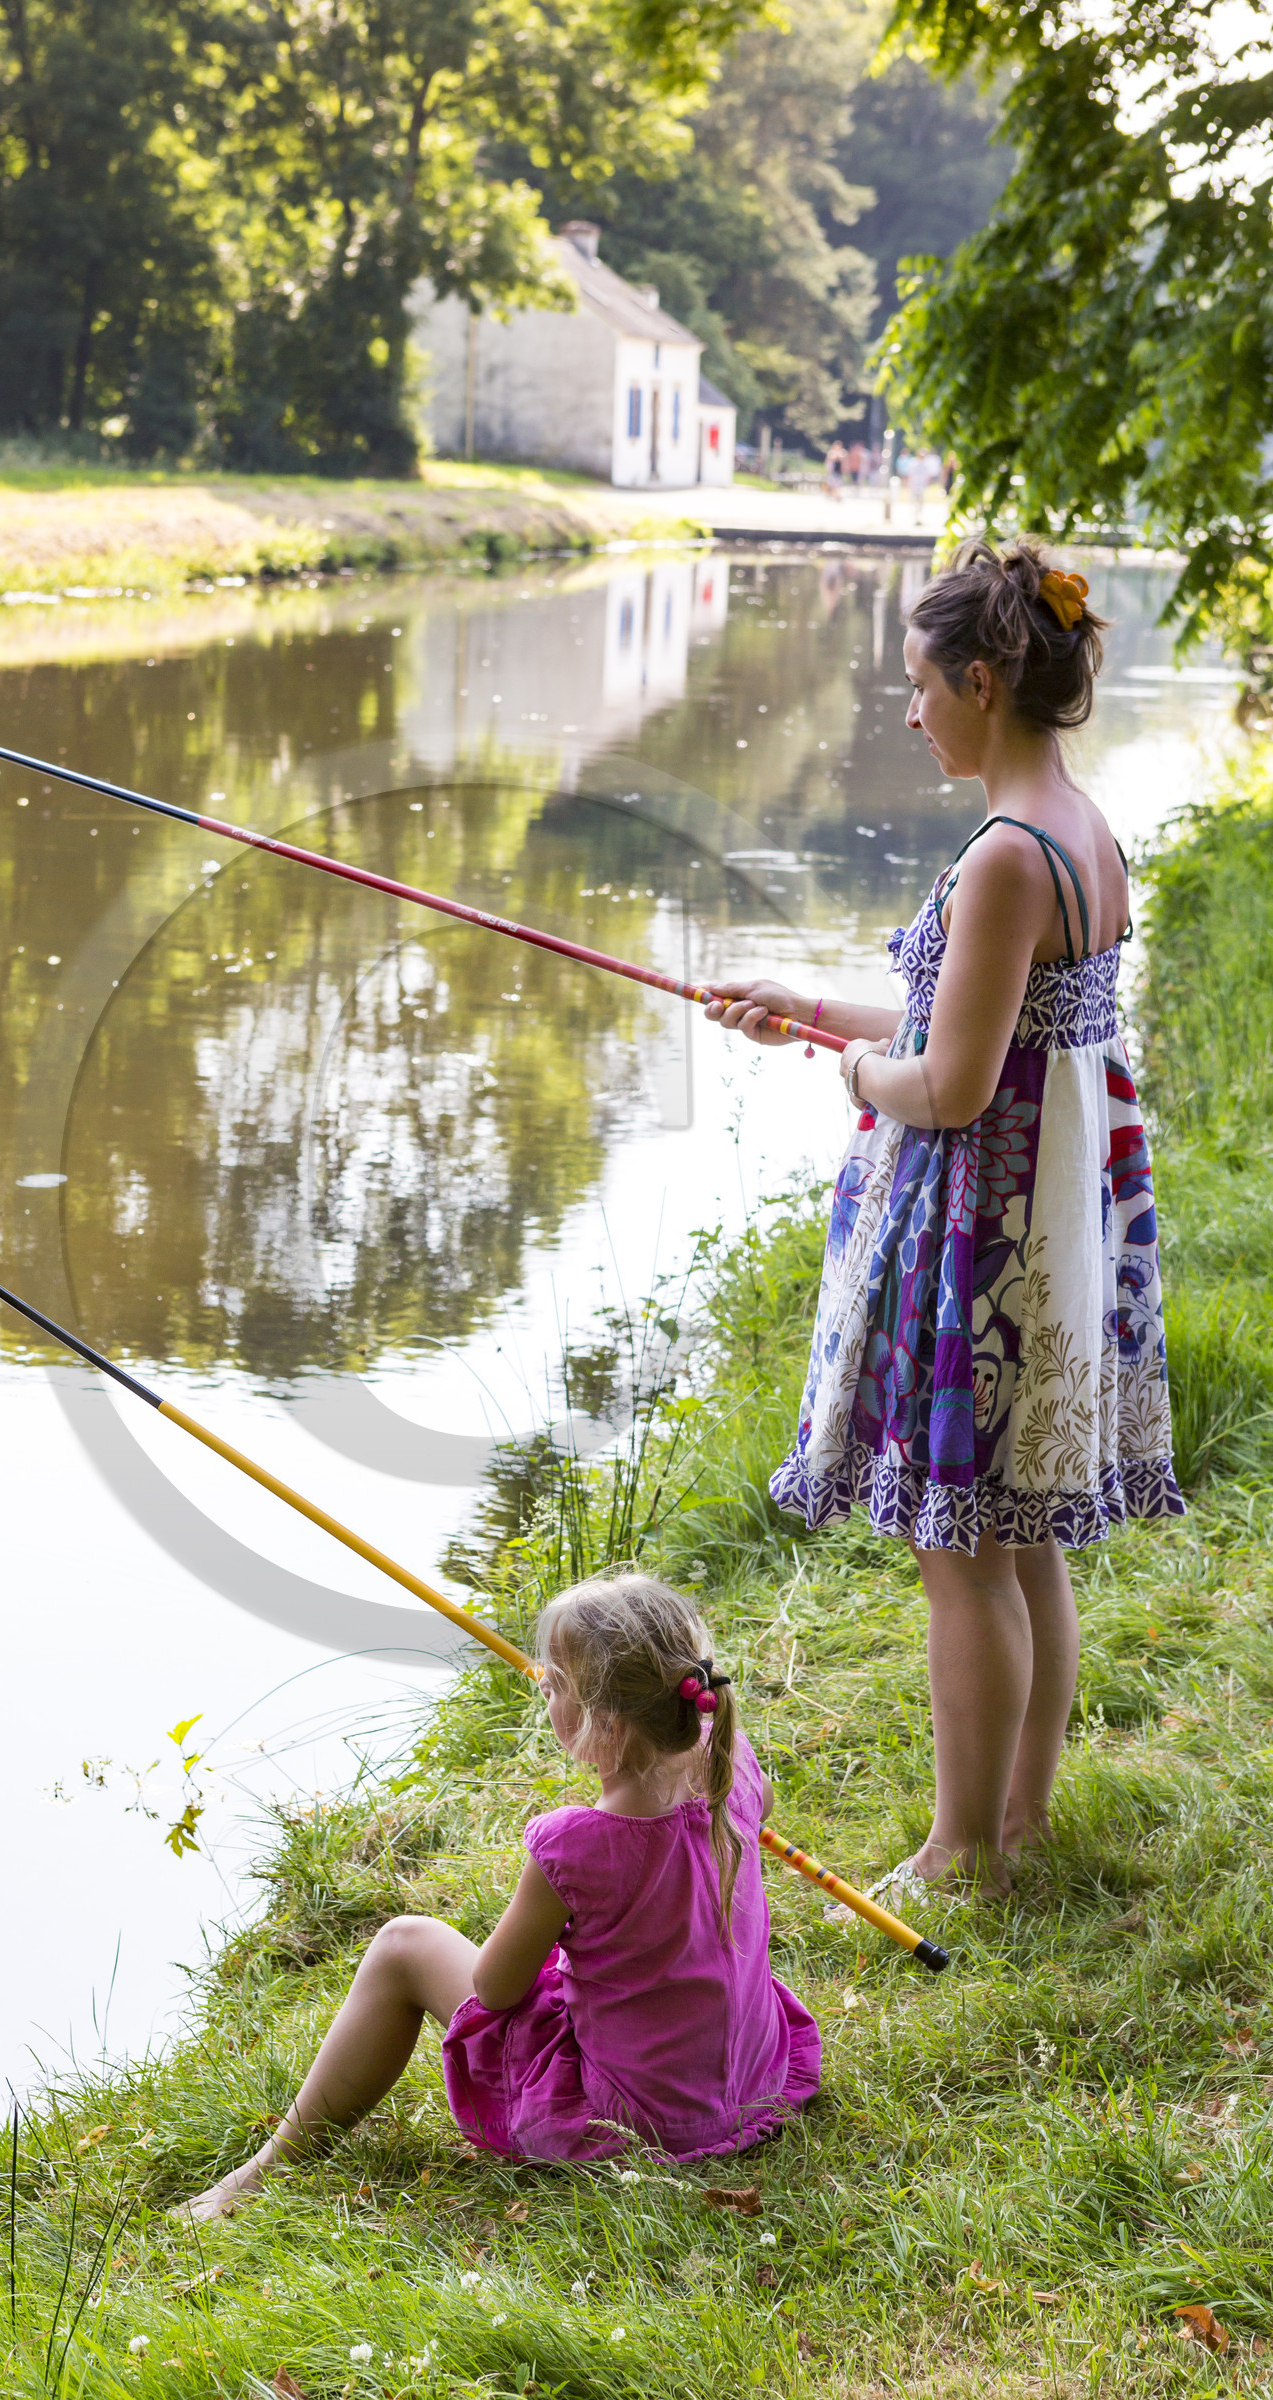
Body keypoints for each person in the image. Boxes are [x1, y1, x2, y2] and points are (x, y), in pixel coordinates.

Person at [703, 538, 1182, 1902]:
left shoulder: (1002, 860)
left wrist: (851, 1073)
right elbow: (980, 1020)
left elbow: (949, 1082)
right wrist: (802, 1011)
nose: (909, 713)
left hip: (988, 1240)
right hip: (1053, 1221)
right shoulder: (1078, 828)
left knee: (961, 1550)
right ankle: (1018, 1824)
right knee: (1018, 1536)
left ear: (982, 679)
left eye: (919, 686)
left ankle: (965, 1846)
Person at [179, 1573, 819, 2217]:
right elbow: (744, 1815)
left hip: (640, 2122)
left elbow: (494, 1991)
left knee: (404, 1944)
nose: (543, 1687)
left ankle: (268, 2167)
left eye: (557, 1685)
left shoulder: (573, 1844)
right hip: (750, 2083)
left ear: (606, 1724)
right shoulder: (732, 1761)